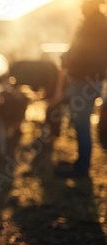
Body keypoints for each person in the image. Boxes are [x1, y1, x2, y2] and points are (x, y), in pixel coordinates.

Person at [51, 0, 107, 177]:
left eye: (83, 4)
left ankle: (82, 168)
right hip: (88, 81)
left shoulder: (93, 25)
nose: (80, 7)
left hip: (84, 82)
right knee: (80, 122)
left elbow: (79, 52)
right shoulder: (98, 23)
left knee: (81, 124)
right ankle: (81, 164)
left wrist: (66, 59)